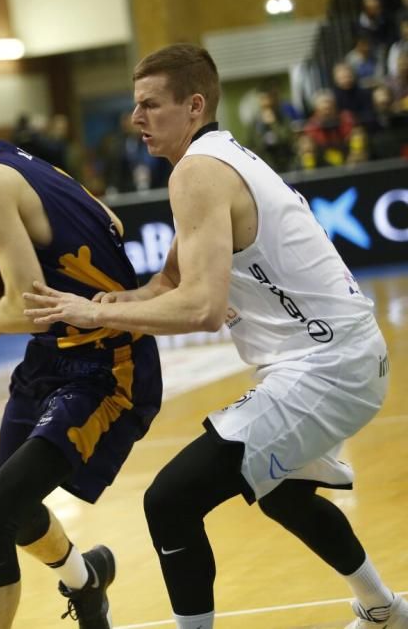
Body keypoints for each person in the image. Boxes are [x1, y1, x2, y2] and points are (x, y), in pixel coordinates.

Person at [22, 44, 402, 629]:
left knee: (169, 500)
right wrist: (103, 301)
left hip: (327, 368)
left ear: (193, 105)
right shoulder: (214, 158)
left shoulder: (198, 172)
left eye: (150, 105)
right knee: (281, 492)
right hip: (340, 358)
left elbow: (201, 307)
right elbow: (171, 279)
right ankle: (385, 609)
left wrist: (98, 317)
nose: (136, 118)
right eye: (135, 105)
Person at [0, 66, 163, 629]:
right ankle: (85, 579)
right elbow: (112, 221)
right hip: (55, 355)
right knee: (17, 510)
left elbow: (26, 313)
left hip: (107, 365)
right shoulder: (23, 162)